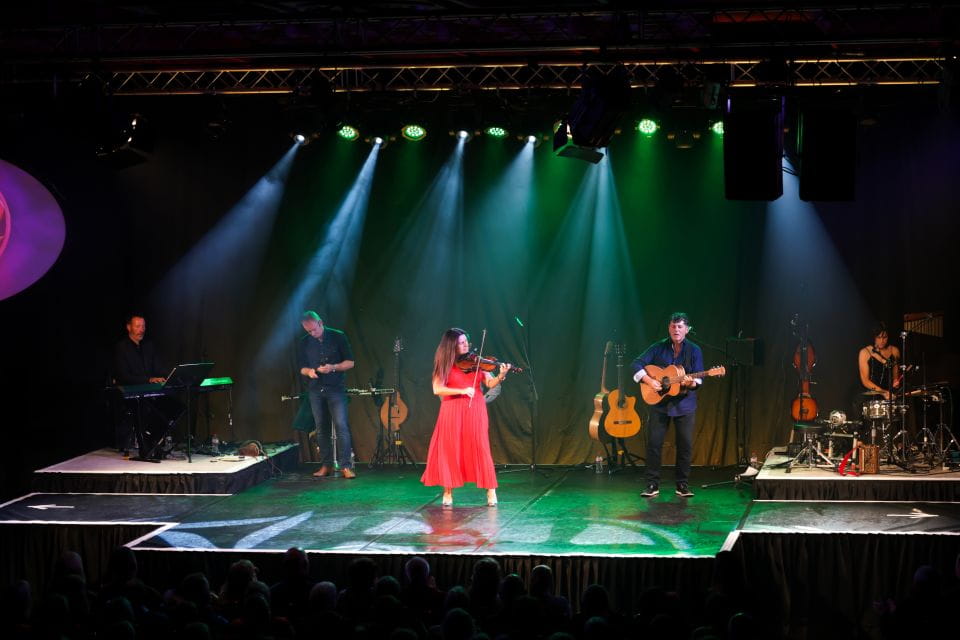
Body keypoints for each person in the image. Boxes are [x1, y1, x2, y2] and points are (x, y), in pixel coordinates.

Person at [420, 328, 510, 507]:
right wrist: (461, 390)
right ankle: (448, 491)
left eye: (466, 341)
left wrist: (501, 374)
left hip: (475, 409)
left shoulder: (476, 362)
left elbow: (490, 383)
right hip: (451, 410)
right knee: (450, 449)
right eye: (461, 342)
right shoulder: (443, 363)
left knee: (480, 447)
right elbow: (437, 389)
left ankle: (490, 490)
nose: (465, 345)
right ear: (451, 345)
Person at [631, 312, 703, 498]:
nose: (676, 330)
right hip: (659, 404)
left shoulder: (694, 350)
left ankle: (682, 486)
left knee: (685, 445)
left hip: (684, 405)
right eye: (673, 326)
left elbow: (697, 381)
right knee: (654, 444)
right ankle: (652, 485)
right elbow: (636, 364)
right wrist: (648, 381)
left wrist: (689, 382)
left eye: (680, 327)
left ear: (687, 329)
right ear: (669, 328)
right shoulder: (658, 347)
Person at [297, 311, 356, 478]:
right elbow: (301, 367)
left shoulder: (338, 336)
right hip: (315, 390)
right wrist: (309, 372)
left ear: (320, 322)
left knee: (341, 425)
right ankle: (326, 465)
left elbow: (350, 362)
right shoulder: (305, 342)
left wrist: (333, 367)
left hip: (336, 388)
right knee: (321, 429)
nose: (312, 334)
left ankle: (345, 466)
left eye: (314, 330)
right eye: (308, 331)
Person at [112, 314, 173, 456]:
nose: (141, 330)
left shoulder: (148, 346)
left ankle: (155, 442)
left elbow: (158, 368)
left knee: (171, 407)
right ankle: (146, 446)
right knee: (142, 407)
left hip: (149, 392)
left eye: (143, 326)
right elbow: (123, 376)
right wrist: (149, 380)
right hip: (130, 393)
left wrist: (170, 376)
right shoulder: (121, 348)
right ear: (129, 328)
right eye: (138, 326)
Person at [858, 322, 902, 399]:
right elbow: (865, 380)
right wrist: (883, 392)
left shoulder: (894, 351)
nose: (882, 341)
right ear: (874, 337)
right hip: (871, 395)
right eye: (878, 337)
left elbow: (895, 375)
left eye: (885, 337)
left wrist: (896, 381)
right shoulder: (865, 352)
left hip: (890, 395)